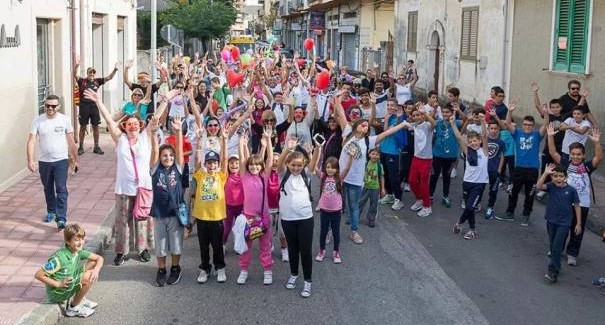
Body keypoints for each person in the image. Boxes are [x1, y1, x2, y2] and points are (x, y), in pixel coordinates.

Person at [83, 88, 167, 266]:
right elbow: (108, 120)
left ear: (140, 126)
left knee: (142, 218)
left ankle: (142, 249)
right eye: (129, 124)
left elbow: (156, 118)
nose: (133, 125)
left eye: (136, 123)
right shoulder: (120, 139)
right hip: (123, 187)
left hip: (143, 186)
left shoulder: (145, 138)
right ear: (125, 126)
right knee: (123, 221)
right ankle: (122, 251)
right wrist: (99, 101)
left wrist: (166, 100)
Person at [333, 95, 414, 243]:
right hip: (340, 177)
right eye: (362, 124)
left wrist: (402, 125)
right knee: (335, 206)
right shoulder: (347, 132)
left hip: (356, 180)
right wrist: (337, 99)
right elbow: (340, 111)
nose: (365, 126)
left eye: (366, 125)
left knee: (354, 206)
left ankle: (354, 231)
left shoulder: (368, 141)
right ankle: (330, 232)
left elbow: (388, 132)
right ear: (356, 125)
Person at [547, 125, 602, 267]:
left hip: (582, 204)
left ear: (583, 155)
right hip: (566, 203)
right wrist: (550, 135)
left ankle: (572, 253)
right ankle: (557, 249)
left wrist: (596, 142)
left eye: (579, 154)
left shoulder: (587, 167)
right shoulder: (565, 164)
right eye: (573, 154)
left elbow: (598, 158)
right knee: (562, 227)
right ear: (570, 154)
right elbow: (553, 152)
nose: (576, 156)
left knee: (578, 229)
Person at [27, 95, 79, 229]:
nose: (50, 108)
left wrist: (76, 159)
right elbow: (31, 141)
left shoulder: (64, 120)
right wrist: (30, 160)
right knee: (48, 188)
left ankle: (61, 218)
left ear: (58, 106)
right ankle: (51, 211)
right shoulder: (38, 121)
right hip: (44, 161)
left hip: (61, 160)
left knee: (61, 188)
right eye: (47, 106)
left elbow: (71, 141)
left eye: (53, 106)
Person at [276, 138, 318, 298]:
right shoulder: (282, 174)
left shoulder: (306, 174)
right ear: (288, 164)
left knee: (305, 250)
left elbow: (313, 163)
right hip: (287, 218)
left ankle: (308, 281)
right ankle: (293, 274)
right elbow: (279, 163)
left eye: (299, 165)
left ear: (303, 165)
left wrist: (317, 149)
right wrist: (287, 148)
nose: (296, 168)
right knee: (292, 249)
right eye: (293, 165)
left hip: (305, 218)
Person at [34, 224, 103, 318]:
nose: (81, 243)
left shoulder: (78, 251)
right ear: (67, 242)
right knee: (87, 277)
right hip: (58, 292)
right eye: (76, 240)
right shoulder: (59, 259)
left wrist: (96, 270)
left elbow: (99, 258)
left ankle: (80, 298)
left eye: (82, 239)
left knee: (93, 262)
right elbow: (38, 275)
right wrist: (57, 284)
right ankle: (73, 308)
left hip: (69, 280)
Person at [149, 116, 186, 287]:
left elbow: (179, 152)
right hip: (159, 213)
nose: (168, 157)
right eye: (165, 155)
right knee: (161, 244)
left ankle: (176, 267)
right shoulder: (155, 170)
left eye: (170, 155)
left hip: (175, 213)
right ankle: (162, 269)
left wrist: (178, 132)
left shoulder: (177, 169)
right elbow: (155, 152)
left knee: (176, 243)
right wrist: (154, 132)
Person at [496, 103, 546, 226]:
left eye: (530, 125)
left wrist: (546, 114)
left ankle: (526, 215)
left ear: (533, 126)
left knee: (530, 194)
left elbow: (545, 124)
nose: (527, 127)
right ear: (522, 125)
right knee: (513, 191)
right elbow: (507, 124)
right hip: (519, 168)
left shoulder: (537, 135)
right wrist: (510, 111)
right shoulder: (517, 133)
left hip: (532, 170)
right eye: (525, 124)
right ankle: (509, 213)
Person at [236, 128, 275, 285]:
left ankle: (267, 271)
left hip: (264, 217)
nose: (254, 168)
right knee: (246, 246)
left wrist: (268, 140)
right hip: (248, 217)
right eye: (251, 165)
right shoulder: (244, 176)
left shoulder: (264, 177)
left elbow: (270, 158)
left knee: (265, 246)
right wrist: (241, 143)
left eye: (257, 166)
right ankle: (244, 270)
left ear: (261, 167)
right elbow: (242, 158)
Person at [191, 130, 228, 284]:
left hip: (217, 217)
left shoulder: (221, 176)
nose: (212, 165)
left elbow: (225, 159)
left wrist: (225, 141)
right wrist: (199, 141)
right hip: (201, 217)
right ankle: (205, 268)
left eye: (214, 163)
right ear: (205, 164)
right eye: (209, 163)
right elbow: (197, 158)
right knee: (204, 246)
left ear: (218, 165)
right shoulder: (201, 175)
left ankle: (220, 268)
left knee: (217, 245)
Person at [536, 163, 581, 283]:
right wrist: (545, 173)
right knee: (552, 245)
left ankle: (553, 272)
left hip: (565, 223)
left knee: (556, 247)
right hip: (551, 220)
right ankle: (557, 264)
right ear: (552, 177)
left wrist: (578, 224)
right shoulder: (551, 186)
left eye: (561, 176)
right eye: (555, 176)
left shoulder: (571, 191)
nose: (558, 178)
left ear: (565, 177)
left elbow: (577, 206)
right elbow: (539, 186)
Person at [451, 114, 489, 240]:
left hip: (479, 184)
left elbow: (484, 135)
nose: (473, 143)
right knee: (470, 207)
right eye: (471, 141)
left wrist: (483, 121)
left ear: (479, 141)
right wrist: (452, 123)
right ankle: (472, 230)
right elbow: (458, 137)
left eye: (475, 141)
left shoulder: (484, 151)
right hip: (467, 182)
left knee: (469, 207)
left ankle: (459, 223)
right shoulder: (468, 151)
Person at [74, 59, 119, 155]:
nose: (92, 74)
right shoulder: (82, 81)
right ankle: (81, 147)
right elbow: (74, 75)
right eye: (90, 72)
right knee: (83, 126)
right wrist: (77, 66)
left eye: (93, 73)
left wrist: (115, 69)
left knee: (95, 126)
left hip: (94, 107)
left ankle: (96, 146)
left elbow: (109, 78)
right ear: (87, 73)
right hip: (84, 107)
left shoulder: (97, 81)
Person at [315, 155, 352, 264]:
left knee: (336, 232)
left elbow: (347, 168)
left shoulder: (339, 178)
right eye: (328, 167)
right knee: (323, 231)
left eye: (333, 167)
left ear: (337, 169)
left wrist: (350, 157)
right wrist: (312, 153)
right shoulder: (323, 177)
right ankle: (322, 251)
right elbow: (315, 168)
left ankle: (336, 252)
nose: (330, 169)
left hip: (336, 211)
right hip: (324, 210)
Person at [405, 107, 436, 218]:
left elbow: (434, 123)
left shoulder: (427, 125)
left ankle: (427, 206)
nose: (417, 117)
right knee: (412, 181)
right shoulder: (414, 126)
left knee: (423, 184)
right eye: (414, 115)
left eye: (419, 115)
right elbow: (405, 124)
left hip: (426, 159)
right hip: (416, 158)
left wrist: (425, 113)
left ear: (422, 116)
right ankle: (420, 199)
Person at [429, 104, 461, 209]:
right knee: (434, 176)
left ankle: (445, 196)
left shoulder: (456, 123)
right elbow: (431, 121)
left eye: (447, 112)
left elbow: (466, 120)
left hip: (451, 156)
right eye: (443, 112)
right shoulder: (438, 122)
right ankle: (430, 196)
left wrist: (459, 110)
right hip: (437, 154)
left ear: (452, 113)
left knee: (447, 176)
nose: (445, 114)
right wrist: (428, 111)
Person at [379, 99, 409, 210]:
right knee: (385, 174)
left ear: (397, 107)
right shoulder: (389, 117)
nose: (390, 107)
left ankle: (398, 199)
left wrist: (386, 120)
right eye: (388, 105)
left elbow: (386, 131)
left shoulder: (398, 119)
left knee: (393, 176)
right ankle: (390, 195)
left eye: (392, 105)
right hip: (384, 150)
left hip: (393, 151)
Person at [359, 149, 385, 227]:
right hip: (366, 187)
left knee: (374, 204)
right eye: (373, 154)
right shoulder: (366, 164)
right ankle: (355, 216)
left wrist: (382, 188)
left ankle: (371, 219)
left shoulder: (379, 166)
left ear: (379, 156)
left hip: (375, 188)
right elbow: (361, 174)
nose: (375, 156)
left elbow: (381, 177)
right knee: (361, 202)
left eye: (377, 154)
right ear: (369, 155)